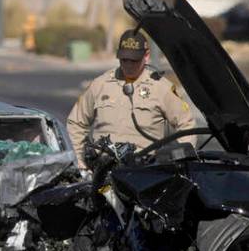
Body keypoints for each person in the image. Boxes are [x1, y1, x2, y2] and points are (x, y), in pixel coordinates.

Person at [67, 29, 194, 169]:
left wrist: (178, 162)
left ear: (146, 56)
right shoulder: (100, 84)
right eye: (124, 59)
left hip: (144, 172)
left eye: (134, 60)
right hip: (103, 171)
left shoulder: (161, 88)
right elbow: (76, 122)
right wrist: (81, 162)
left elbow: (186, 124)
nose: (128, 65)